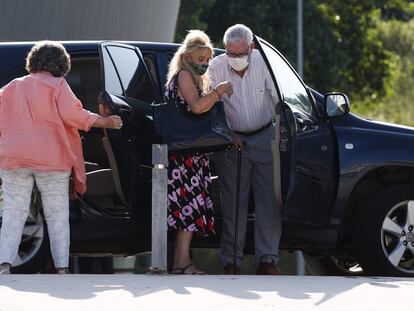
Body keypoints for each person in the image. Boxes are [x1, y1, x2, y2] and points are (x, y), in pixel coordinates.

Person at [0, 40, 122, 275]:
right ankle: (62, 267)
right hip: (51, 162)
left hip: (13, 159)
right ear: (62, 64)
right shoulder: (57, 86)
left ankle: (4, 263)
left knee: (14, 212)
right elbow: (73, 115)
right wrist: (105, 121)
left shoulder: (12, 86)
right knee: (57, 214)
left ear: (32, 62)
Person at [208, 24, 281, 275]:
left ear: (251, 47)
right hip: (231, 143)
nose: (235, 59)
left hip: (264, 137)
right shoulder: (216, 66)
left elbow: (279, 102)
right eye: (230, 53)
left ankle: (267, 259)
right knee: (233, 204)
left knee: (268, 203)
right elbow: (209, 108)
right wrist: (229, 134)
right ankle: (231, 262)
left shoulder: (265, 62)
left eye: (240, 54)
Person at [165, 30, 232, 274]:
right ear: (188, 56)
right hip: (186, 157)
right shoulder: (185, 76)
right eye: (200, 59)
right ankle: (182, 263)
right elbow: (196, 106)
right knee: (188, 207)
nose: (204, 64)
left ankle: (180, 263)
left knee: (189, 207)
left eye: (207, 59)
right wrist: (219, 92)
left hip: (189, 154)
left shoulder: (185, 76)